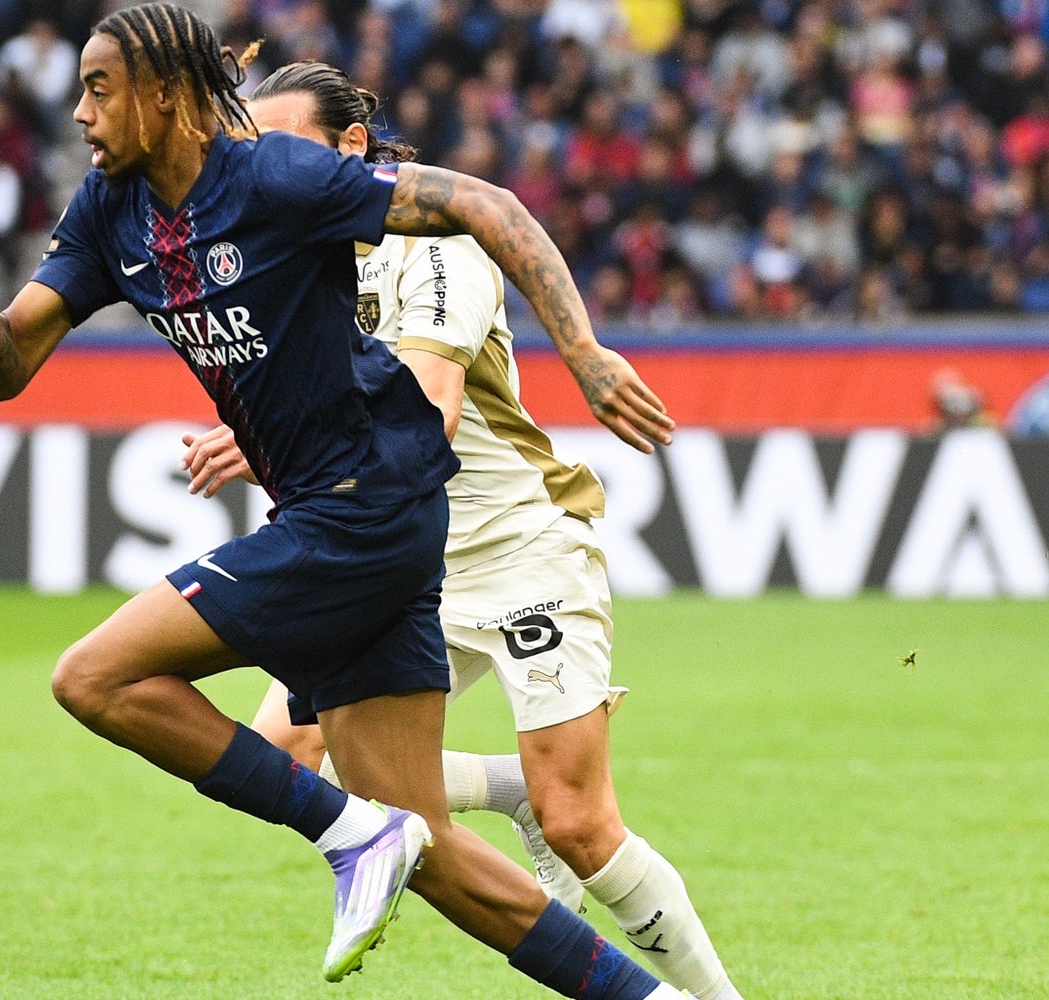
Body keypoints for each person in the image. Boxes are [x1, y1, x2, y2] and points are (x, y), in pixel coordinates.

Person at [0, 6, 679, 997]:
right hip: (368, 518)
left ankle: (347, 833)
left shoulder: (277, 178)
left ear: (163, 96)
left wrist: (580, 352)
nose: (77, 113)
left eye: (98, 88)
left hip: (360, 508)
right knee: (436, 852)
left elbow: (487, 204)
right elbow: (4, 367)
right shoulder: (108, 213)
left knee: (94, 677)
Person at [177, 61, 741, 1000]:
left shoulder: (435, 244)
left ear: (350, 148)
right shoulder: (303, 260)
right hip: (396, 554)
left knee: (580, 825)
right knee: (284, 760)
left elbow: (427, 410)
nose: (266, 170)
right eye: (254, 150)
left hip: (516, 547)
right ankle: (499, 785)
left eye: (284, 147)